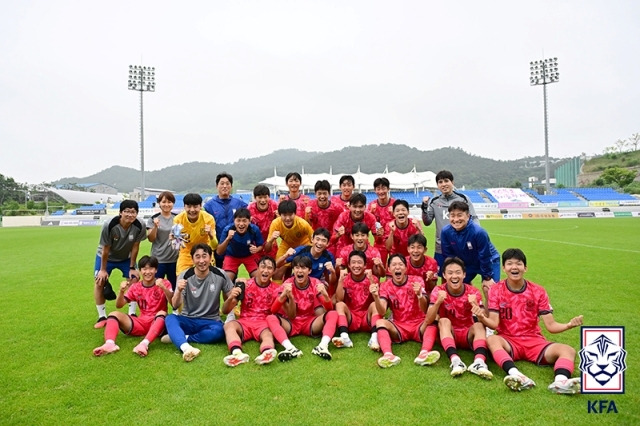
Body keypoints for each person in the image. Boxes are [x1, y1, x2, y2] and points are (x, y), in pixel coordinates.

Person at [472, 248, 584, 394]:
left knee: (568, 350)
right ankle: (516, 375)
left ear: (525, 268)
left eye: (518, 264)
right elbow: (494, 324)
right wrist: (481, 317)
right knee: (492, 339)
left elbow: (551, 326)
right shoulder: (496, 290)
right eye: (510, 263)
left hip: (534, 341)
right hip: (509, 341)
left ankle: (560, 382)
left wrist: (569, 325)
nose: (514, 267)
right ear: (504, 268)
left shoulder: (538, 291)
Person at [163, 243, 235, 362]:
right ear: (192, 259)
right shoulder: (184, 275)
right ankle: (185, 347)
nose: (201, 260)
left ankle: (183, 337)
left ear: (210, 258)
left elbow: (230, 299)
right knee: (170, 318)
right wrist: (178, 290)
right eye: (197, 257)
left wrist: (231, 315)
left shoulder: (220, 274)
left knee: (220, 331)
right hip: (188, 318)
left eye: (204, 256)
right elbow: (175, 305)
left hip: (211, 321)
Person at [425, 257, 493, 379]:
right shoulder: (438, 290)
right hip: (449, 333)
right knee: (443, 320)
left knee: (478, 325)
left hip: (468, 334)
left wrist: (477, 308)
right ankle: (455, 361)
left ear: (464, 274)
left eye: (458, 272)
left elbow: (485, 318)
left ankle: (479, 362)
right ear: (444, 275)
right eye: (450, 273)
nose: (454, 276)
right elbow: (429, 320)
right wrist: (438, 303)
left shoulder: (473, 292)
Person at [93, 256, 173, 357]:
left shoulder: (164, 283)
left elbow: (173, 303)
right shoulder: (136, 287)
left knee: (162, 313)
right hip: (141, 322)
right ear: (140, 271)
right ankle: (109, 344)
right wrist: (121, 292)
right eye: (144, 269)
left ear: (156, 270)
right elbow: (119, 305)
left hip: (157, 322)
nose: (147, 272)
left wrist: (164, 288)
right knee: (113, 314)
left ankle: (144, 344)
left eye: (151, 268)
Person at [370, 254, 438, 368]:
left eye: (400, 264)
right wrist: (376, 297)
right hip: (399, 326)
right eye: (394, 265)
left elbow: (425, 309)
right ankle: (388, 355)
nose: (397, 267)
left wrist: (420, 295)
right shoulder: (385, 286)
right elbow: (381, 312)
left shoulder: (417, 280)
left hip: (419, 324)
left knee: (435, 318)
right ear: (389, 269)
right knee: (380, 322)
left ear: (406, 268)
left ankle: (424, 353)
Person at [265, 256, 338, 361]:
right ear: (293, 270)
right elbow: (274, 310)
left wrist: (326, 296)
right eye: (297, 268)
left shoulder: (315, 283)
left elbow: (329, 308)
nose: (299, 271)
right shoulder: (287, 284)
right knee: (270, 318)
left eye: (303, 268)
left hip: (309, 322)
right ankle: (290, 348)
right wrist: (284, 296)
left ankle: (322, 346)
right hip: (291, 323)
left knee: (333, 314)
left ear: (309, 271)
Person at [93, 200, 147, 328]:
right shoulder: (109, 225)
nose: (130, 214)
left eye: (133, 212)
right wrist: (103, 270)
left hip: (126, 257)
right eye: (127, 211)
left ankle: (132, 313)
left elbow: (135, 247)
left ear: (137, 213)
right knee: (99, 281)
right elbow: (106, 249)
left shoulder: (140, 225)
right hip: (107, 256)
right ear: (120, 213)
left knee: (134, 279)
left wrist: (132, 267)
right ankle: (102, 316)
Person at [221, 256, 280, 367]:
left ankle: (267, 353)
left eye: (269, 268)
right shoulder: (245, 285)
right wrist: (230, 297)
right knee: (229, 326)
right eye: (262, 267)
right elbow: (225, 310)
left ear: (273, 272)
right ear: (257, 268)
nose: (265, 270)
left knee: (268, 334)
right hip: (245, 322)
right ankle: (237, 353)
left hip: (264, 323)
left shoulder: (276, 289)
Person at [421, 170, 478, 272]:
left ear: (452, 182)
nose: (443, 184)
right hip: (441, 246)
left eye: (446, 181)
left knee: (464, 277)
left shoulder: (463, 199)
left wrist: (475, 237)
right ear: (437, 185)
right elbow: (427, 221)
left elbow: (473, 218)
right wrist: (424, 207)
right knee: (444, 276)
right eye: (440, 182)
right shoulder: (434, 201)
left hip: (462, 245)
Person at [440, 201, 500, 293]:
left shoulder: (478, 232)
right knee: (457, 288)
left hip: (488, 261)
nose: (456, 219)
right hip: (466, 263)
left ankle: (491, 307)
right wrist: (455, 271)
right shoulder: (445, 232)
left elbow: (484, 256)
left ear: (468, 216)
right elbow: (448, 256)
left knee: (490, 290)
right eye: (452, 215)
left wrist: (487, 277)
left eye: (459, 215)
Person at [331, 250, 380, 348]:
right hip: (352, 317)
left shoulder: (373, 278)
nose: (356, 265)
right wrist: (340, 280)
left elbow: (377, 301)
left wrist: (371, 280)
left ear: (365, 265)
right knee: (339, 305)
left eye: (359, 262)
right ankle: (344, 337)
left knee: (374, 305)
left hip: (367, 318)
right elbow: (339, 299)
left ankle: (374, 339)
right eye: (353, 262)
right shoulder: (345, 278)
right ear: (349, 265)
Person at [204, 172, 248, 268]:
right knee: (217, 275)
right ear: (217, 186)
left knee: (231, 276)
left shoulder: (239, 203)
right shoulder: (209, 205)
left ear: (231, 186)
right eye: (222, 183)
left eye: (227, 184)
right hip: (217, 246)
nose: (225, 186)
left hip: (234, 247)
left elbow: (251, 213)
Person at [265, 200, 314, 280]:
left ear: (295, 214)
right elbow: (267, 249)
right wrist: (271, 240)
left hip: (303, 246)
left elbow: (314, 241)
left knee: (302, 272)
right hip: (286, 245)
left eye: (290, 215)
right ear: (280, 214)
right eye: (284, 215)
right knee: (276, 273)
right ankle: (278, 292)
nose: (287, 218)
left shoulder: (303, 224)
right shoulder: (275, 223)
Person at [173, 193, 217, 274]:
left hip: (205, 253)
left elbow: (214, 246)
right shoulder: (178, 220)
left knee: (210, 281)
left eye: (195, 206)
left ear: (200, 206)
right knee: (181, 281)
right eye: (189, 206)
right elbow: (176, 246)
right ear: (184, 207)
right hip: (186, 254)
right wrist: (174, 240)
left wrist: (211, 235)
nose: (192, 210)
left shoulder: (208, 219)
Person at [216, 208, 264, 282]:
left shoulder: (254, 229)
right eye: (238, 220)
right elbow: (219, 252)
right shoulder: (227, 229)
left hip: (249, 255)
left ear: (249, 221)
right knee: (226, 282)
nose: (241, 224)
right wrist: (228, 239)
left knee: (259, 279)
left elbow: (261, 245)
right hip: (232, 256)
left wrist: (256, 249)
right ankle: (231, 293)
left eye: (244, 221)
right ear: (234, 220)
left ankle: (253, 292)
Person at [146, 191, 178, 290]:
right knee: (156, 288)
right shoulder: (154, 219)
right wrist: (155, 227)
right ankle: (158, 306)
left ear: (173, 203)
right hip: (158, 259)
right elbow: (151, 239)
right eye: (163, 202)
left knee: (174, 288)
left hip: (175, 259)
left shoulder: (178, 218)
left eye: (169, 202)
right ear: (159, 203)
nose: (166, 204)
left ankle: (175, 306)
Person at [304, 180, 343, 255]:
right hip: (316, 241)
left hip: (332, 242)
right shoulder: (311, 205)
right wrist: (306, 214)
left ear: (329, 193)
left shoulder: (337, 208)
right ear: (315, 194)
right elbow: (308, 224)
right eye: (319, 193)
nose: (322, 196)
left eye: (324, 193)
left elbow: (342, 222)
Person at [367, 177, 395, 266]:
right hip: (378, 242)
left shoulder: (395, 204)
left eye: (383, 188)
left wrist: (393, 214)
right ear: (375, 190)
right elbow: (366, 225)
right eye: (378, 189)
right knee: (377, 268)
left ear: (388, 189)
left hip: (394, 243)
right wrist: (371, 212)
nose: (381, 191)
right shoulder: (371, 205)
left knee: (394, 269)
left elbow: (403, 220)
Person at [248, 184, 279, 259]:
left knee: (272, 268)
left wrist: (279, 217)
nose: (263, 200)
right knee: (258, 269)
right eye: (260, 197)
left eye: (265, 197)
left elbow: (281, 221)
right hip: (256, 245)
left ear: (269, 197)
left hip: (271, 243)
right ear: (255, 198)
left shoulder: (274, 206)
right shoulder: (250, 209)